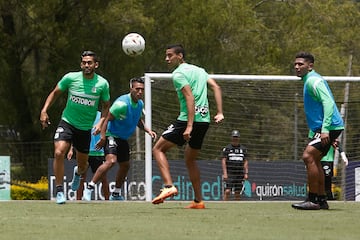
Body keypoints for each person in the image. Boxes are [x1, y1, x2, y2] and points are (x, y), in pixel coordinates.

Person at [152, 44, 224, 209]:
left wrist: (189, 126)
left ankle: (169, 187)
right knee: (190, 159)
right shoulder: (200, 70)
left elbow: (190, 98)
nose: (167, 59)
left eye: (170, 55)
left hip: (187, 120)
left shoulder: (178, 74)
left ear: (180, 56)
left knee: (157, 149)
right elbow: (216, 87)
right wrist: (220, 112)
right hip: (204, 121)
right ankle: (199, 201)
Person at [40, 51, 110, 204]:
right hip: (67, 122)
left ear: (96, 65)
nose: (86, 65)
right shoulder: (70, 78)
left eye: (89, 62)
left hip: (85, 129)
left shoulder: (102, 84)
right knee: (59, 152)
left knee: (83, 166)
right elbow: (55, 93)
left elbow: (106, 106)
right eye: (84, 62)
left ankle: (77, 173)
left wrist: (100, 123)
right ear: (81, 64)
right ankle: (59, 191)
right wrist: (44, 110)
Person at [82, 77, 156, 201]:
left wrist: (148, 130)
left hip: (122, 138)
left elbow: (138, 120)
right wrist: (103, 137)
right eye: (137, 89)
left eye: (142, 90)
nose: (140, 92)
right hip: (111, 135)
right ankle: (89, 188)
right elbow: (106, 119)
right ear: (131, 89)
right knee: (111, 161)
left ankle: (116, 193)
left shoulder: (140, 104)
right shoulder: (121, 104)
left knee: (125, 165)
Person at [291, 52, 344, 210]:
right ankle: (321, 199)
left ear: (310, 66)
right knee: (316, 160)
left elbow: (328, 103)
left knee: (308, 156)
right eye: (295, 64)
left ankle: (313, 199)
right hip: (328, 128)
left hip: (329, 127)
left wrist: (326, 129)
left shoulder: (314, 81)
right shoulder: (309, 80)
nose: (297, 67)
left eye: (300, 64)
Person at [67, 111, 110, 200]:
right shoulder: (84, 114)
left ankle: (108, 200)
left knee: (103, 179)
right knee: (81, 178)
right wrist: (71, 149)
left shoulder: (102, 116)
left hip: (98, 152)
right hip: (85, 151)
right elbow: (76, 133)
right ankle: (78, 200)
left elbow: (107, 133)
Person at [222, 130, 249, 201]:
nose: (235, 139)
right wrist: (225, 173)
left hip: (240, 173)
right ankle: (224, 205)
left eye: (236, 137)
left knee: (237, 192)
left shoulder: (243, 149)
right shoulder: (227, 148)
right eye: (234, 137)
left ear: (239, 138)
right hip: (230, 173)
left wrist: (246, 173)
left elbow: (245, 161)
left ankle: (237, 207)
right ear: (231, 138)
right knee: (227, 191)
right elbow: (223, 161)